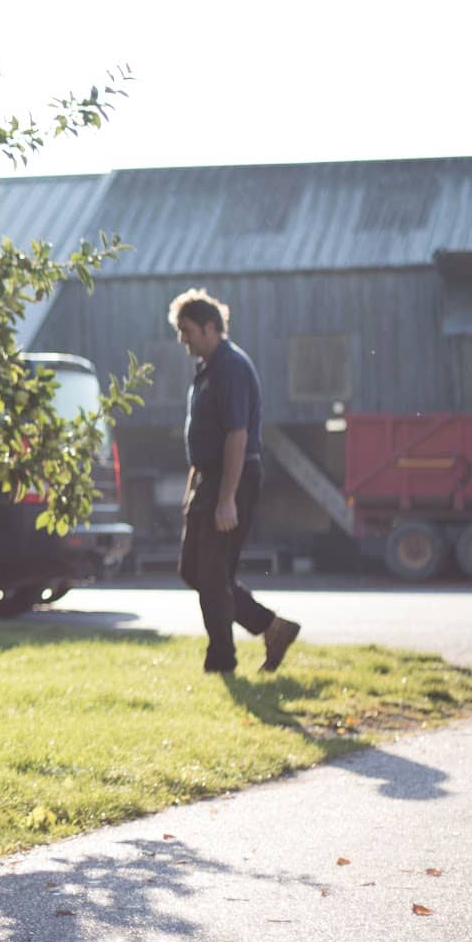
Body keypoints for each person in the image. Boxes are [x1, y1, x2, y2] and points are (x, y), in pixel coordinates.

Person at [168, 288, 301, 674]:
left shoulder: (231, 367)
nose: (183, 339)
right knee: (194, 570)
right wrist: (193, 486)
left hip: (233, 479)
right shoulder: (207, 370)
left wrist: (227, 498)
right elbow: (205, 436)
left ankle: (221, 662)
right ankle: (271, 627)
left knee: (211, 572)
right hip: (208, 480)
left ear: (211, 327)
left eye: (187, 330)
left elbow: (237, 435)